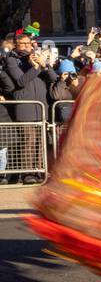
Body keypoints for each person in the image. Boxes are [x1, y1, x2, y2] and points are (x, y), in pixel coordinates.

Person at [3, 33, 58, 183]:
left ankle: (40, 172)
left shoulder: (36, 58)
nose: (27, 47)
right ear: (16, 45)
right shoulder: (12, 60)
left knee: (41, 142)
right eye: (23, 44)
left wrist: (45, 65)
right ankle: (28, 174)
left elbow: (54, 79)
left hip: (41, 106)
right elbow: (21, 81)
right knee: (29, 141)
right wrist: (36, 67)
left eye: (29, 43)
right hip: (25, 107)